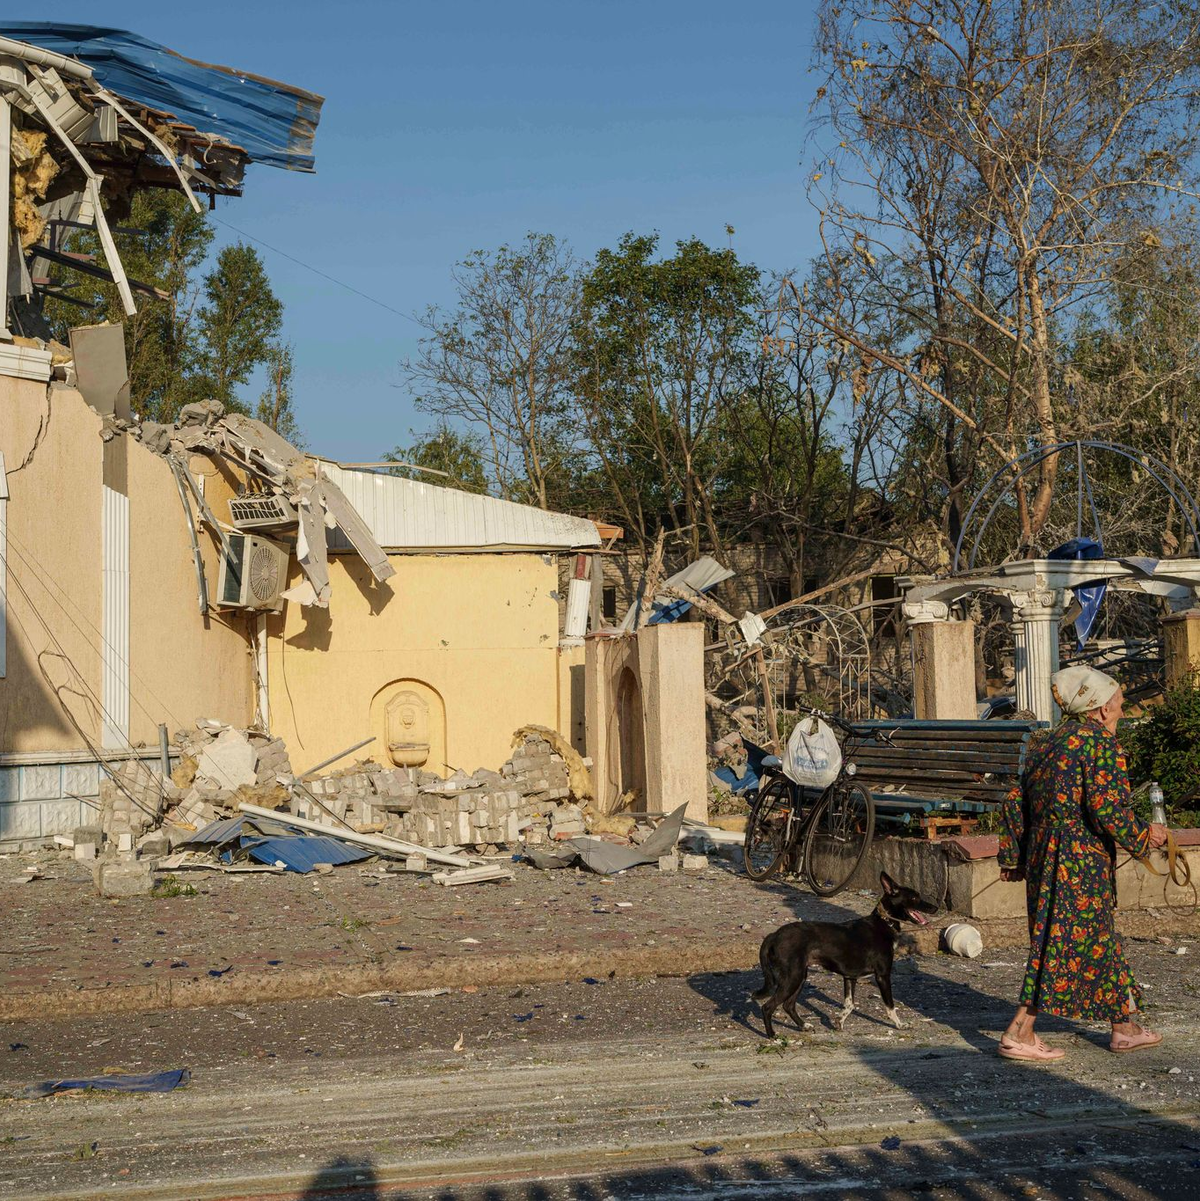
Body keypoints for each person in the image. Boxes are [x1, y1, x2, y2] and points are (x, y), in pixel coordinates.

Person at [996, 665, 1168, 1061]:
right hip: (1078, 859)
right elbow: (1107, 809)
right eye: (1120, 705)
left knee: (1097, 936)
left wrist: (1014, 856)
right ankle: (1019, 1031)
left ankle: (1124, 1028)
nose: (1122, 711)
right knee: (1059, 942)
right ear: (1103, 708)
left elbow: (1015, 801)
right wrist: (1145, 835)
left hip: (1044, 854)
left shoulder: (1047, 742)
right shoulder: (1098, 743)